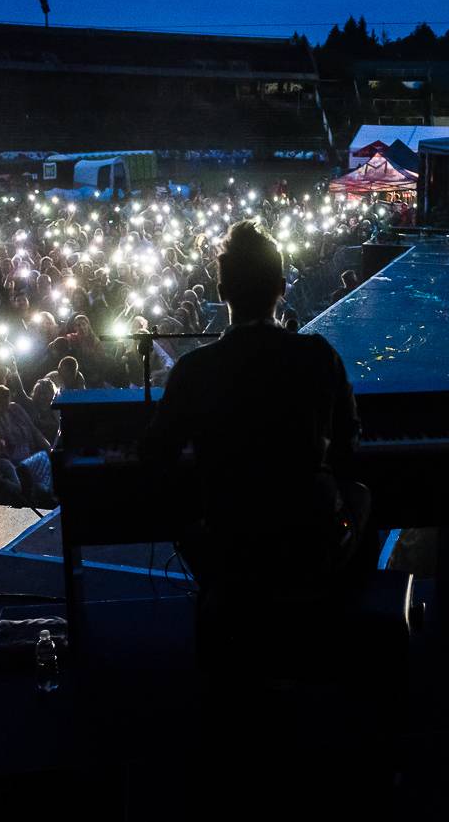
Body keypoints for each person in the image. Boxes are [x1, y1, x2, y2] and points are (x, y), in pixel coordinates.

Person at [141, 219, 365, 636]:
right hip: (307, 535)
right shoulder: (318, 355)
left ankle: (222, 601)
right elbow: (349, 443)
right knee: (361, 498)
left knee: (186, 522)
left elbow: (156, 456)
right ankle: (330, 614)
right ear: (283, 287)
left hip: (231, 541)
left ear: (221, 292)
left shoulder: (194, 369)